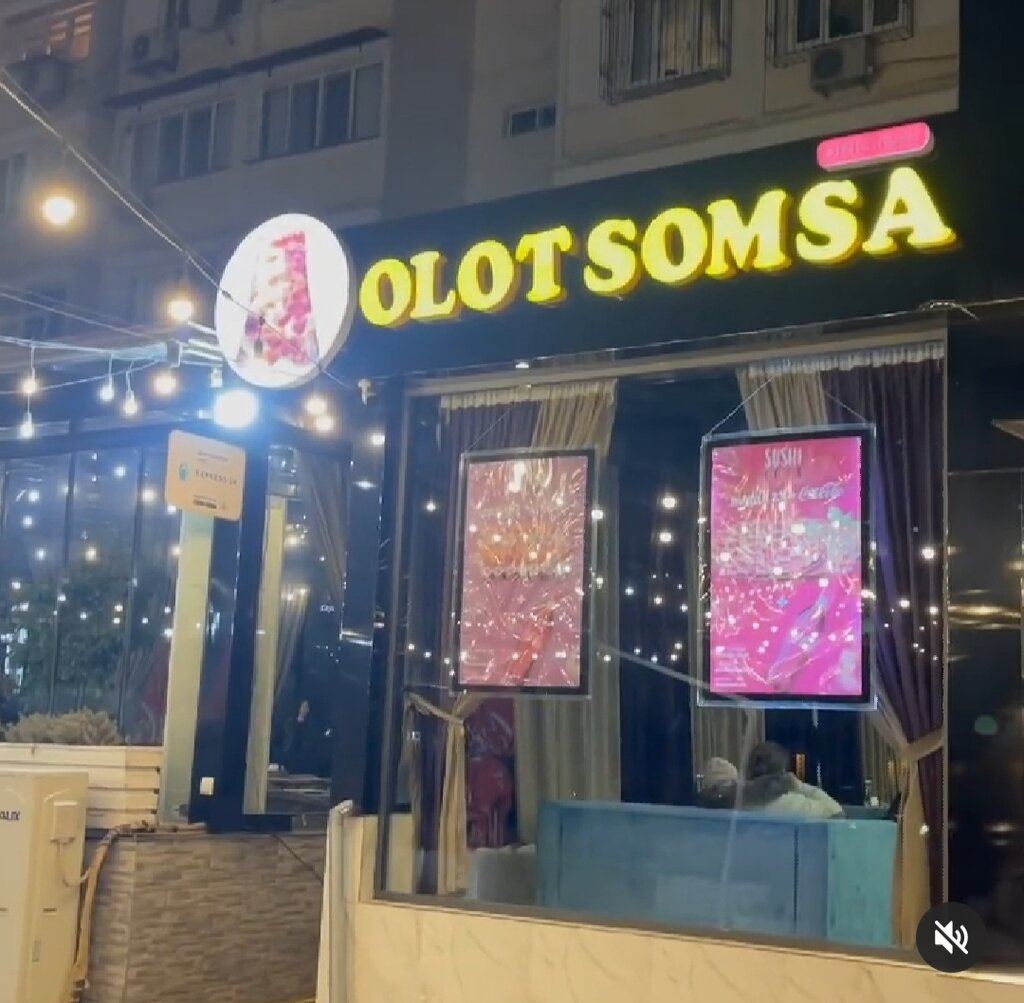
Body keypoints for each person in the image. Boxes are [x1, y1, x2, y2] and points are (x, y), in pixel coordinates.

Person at [740, 741, 845, 819]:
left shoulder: (737, 801)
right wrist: (799, 786)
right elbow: (836, 811)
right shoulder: (795, 805)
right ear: (783, 773)